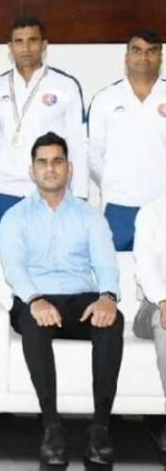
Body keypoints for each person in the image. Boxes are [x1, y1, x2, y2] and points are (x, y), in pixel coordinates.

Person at [0, 132, 122, 466]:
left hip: (79, 300)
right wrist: (35, 300)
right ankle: (51, 427)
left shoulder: (90, 215)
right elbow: (14, 268)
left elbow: (106, 264)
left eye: (57, 161)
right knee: (32, 322)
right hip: (35, 299)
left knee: (113, 321)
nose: (50, 168)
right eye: (42, 162)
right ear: (32, 170)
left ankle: (100, 428)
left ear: (69, 168)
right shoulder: (15, 216)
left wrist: (108, 297)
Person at [0, 16, 87, 253]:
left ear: (44, 44)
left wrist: (80, 195)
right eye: (19, 41)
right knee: (0, 264)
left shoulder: (65, 86)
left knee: (51, 263)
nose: (26, 48)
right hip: (4, 191)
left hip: (49, 192)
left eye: (32, 40)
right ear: (10, 47)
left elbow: (78, 144)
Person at [88, 28, 166, 251]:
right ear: (126, 56)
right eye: (137, 50)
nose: (144, 57)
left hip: (162, 203)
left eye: (151, 51)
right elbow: (94, 154)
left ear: (160, 57)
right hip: (118, 205)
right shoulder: (105, 99)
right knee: (117, 268)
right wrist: (114, 181)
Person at [132, 195, 166, 452]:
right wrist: (163, 301)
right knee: (163, 319)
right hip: (153, 304)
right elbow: (145, 268)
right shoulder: (152, 212)